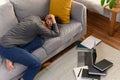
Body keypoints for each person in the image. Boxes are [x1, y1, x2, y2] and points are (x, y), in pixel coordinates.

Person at [0, 14, 60, 80]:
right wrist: (53, 17)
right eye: (51, 20)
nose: (51, 23)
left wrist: (50, 19)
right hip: (6, 47)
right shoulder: (39, 27)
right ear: (47, 18)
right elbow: (56, 33)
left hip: (6, 41)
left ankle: (10, 57)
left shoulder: (35, 17)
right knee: (36, 65)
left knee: (40, 41)